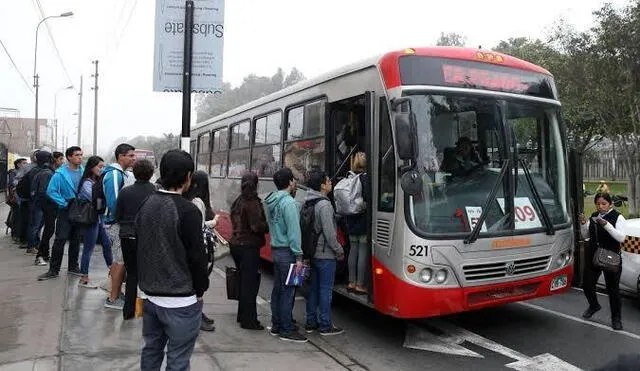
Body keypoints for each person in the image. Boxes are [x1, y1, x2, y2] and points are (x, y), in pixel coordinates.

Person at [136, 150, 209, 371]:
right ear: (188, 176)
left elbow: (137, 244)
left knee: (151, 350)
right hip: (180, 301)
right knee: (178, 359)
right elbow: (197, 256)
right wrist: (200, 289)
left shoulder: (147, 204)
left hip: (150, 296)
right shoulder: (188, 211)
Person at [265, 167, 307, 343]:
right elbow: (294, 232)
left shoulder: (271, 200)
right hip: (288, 252)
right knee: (288, 291)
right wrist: (299, 256)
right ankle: (286, 329)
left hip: (276, 249)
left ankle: (277, 324)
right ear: (290, 182)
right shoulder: (289, 203)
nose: (295, 182)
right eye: (294, 179)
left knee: (278, 290)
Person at [304, 168, 345, 336]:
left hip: (313, 252)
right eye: (328, 181)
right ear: (322, 186)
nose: (330, 183)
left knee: (313, 289)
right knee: (325, 290)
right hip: (326, 254)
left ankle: (310, 321)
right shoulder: (325, 204)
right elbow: (329, 233)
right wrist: (339, 250)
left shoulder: (308, 201)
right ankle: (325, 325)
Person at [115, 159, 156, 320]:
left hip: (127, 236)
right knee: (150, 274)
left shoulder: (125, 192)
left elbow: (117, 215)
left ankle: (128, 311)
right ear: (151, 174)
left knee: (132, 274)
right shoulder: (156, 191)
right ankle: (149, 312)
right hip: (148, 238)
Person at [579, 192, 626, 331]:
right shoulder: (594, 215)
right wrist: (583, 224)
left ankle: (616, 319)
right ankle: (594, 305)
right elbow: (586, 235)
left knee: (613, 290)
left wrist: (606, 225)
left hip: (611, 257)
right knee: (587, 284)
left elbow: (621, 238)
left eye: (603, 204)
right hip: (594, 256)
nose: (600, 207)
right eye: (598, 204)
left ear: (610, 204)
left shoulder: (618, 217)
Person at [37, 146, 84, 281]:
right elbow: (51, 191)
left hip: (80, 210)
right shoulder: (60, 174)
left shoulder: (84, 172)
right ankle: (53, 270)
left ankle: (73, 267)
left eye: (81, 155)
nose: (80, 157)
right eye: (77, 155)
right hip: (65, 211)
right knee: (60, 240)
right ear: (69, 157)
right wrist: (64, 203)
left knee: (76, 240)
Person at [229, 172, 269, 330]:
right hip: (248, 246)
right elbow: (256, 226)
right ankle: (249, 320)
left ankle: (242, 315)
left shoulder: (239, 200)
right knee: (249, 285)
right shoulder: (252, 202)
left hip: (237, 244)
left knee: (244, 282)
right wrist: (268, 224)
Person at [183, 170, 218, 332]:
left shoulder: (187, 198)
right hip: (199, 246)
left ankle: (198, 314)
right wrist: (214, 222)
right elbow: (199, 226)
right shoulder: (197, 202)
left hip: (190, 246)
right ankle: (196, 318)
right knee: (199, 283)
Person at [103, 143, 136, 310]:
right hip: (116, 223)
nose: (133, 158)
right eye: (130, 155)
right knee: (120, 261)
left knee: (119, 259)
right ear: (120, 156)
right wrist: (124, 221)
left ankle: (115, 293)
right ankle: (113, 298)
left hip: (117, 223)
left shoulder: (120, 174)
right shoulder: (115, 175)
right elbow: (114, 203)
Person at [77, 156, 113, 288]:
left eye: (103, 167)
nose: (101, 169)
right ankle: (84, 278)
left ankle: (113, 272)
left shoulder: (97, 181)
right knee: (88, 249)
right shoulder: (87, 183)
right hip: (90, 220)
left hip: (98, 219)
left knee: (107, 244)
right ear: (91, 167)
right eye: (99, 166)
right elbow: (95, 198)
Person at [344, 152, 370, 295]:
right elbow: (366, 199)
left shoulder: (349, 177)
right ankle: (360, 284)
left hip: (350, 219)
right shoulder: (364, 178)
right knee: (362, 251)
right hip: (362, 218)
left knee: (353, 251)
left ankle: (351, 282)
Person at [29, 151, 57, 266]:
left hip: (43, 206)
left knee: (46, 230)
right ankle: (40, 255)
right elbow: (45, 192)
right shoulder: (47, 173)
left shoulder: (43, 171)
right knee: (46, 230)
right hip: (46, 206)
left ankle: (43, 254)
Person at [6, 158, 27, 242]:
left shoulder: (24, 172)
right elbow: (11, 185)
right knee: (16, 216)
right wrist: (12, 197)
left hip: (21, 197)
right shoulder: (13, 172)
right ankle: (15, 234)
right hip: (15, 198)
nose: (26, 165)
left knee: (19, 216)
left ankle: (18, 233)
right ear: (18, 164)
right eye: (24, 163)